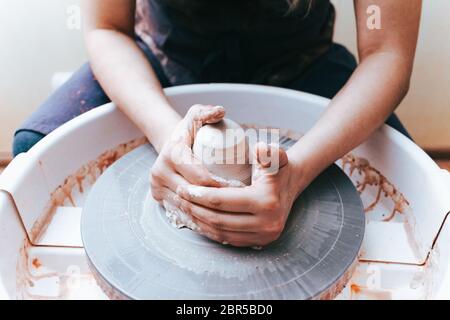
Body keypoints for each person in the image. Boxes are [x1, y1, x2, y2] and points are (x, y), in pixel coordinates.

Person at [13, 0, 421, 247]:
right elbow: (106, 27)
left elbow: (387, 51)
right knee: (33, 151)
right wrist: (167, 133)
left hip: (301, 64)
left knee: (417, 201)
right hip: (162, 62)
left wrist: (295, 174)